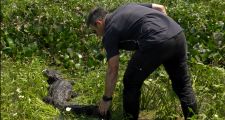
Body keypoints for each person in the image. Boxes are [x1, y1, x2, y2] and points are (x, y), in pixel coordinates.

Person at [86, 3, 198, 120]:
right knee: (183, 85)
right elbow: (160, 7)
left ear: (99, 23)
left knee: (130, 82)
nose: (97, 35)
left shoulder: (109, 32)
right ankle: (194, 118)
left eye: (95, 32)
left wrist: (106, 99)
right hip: (177, 33)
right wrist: (165, 32)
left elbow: (113, 69)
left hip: (156, 40)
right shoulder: (126, 7)